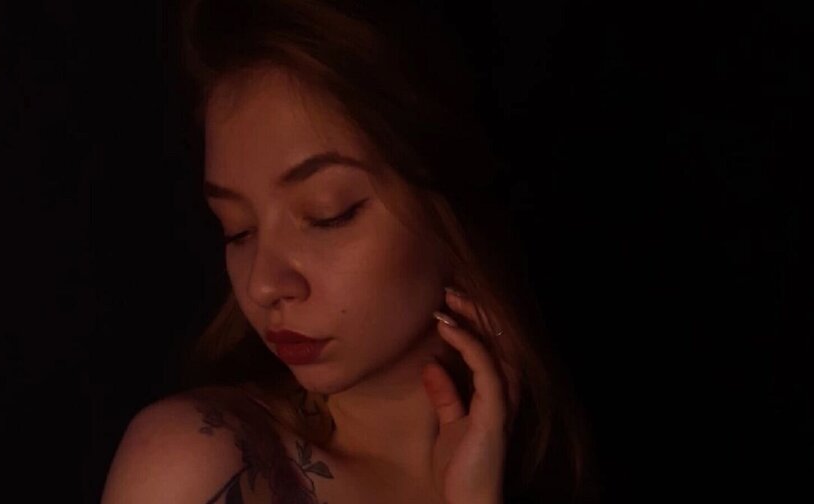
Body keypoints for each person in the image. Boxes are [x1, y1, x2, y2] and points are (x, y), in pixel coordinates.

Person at [102, 0, 595, 502]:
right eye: (238, 231)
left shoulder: (565, 457)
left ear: (452, 202)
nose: (263, 285)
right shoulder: (200, 463)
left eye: (327, 214)